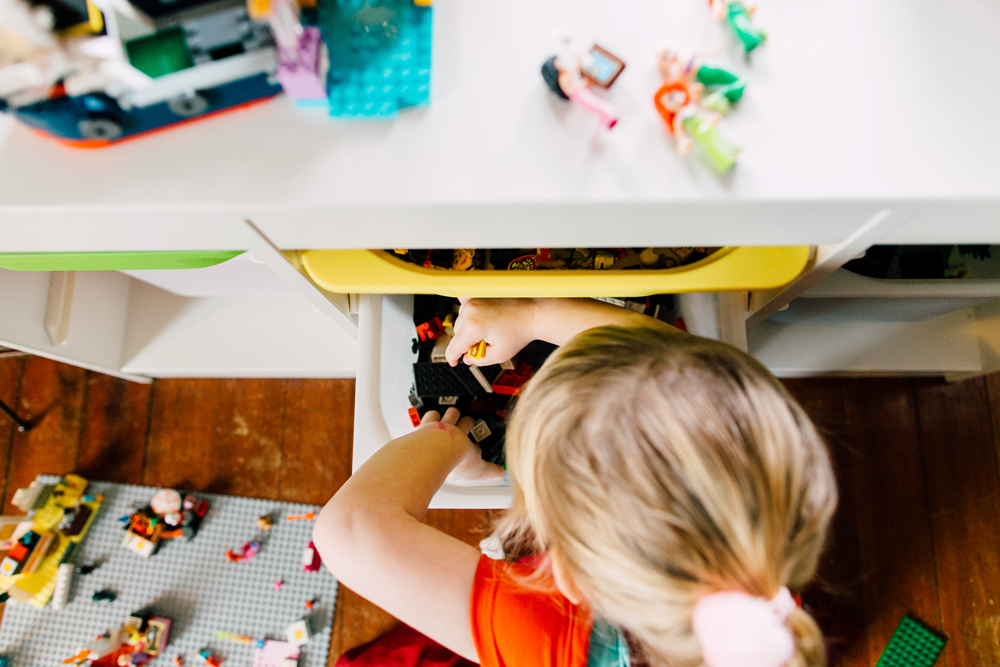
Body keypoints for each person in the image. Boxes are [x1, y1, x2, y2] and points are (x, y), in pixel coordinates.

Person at [313, 298, 837, 667]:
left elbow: (349, 531)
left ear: (565, 572)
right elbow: (688, 373)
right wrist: (533, 314)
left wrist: (446, 439)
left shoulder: (549, 645)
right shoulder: (754, 598)